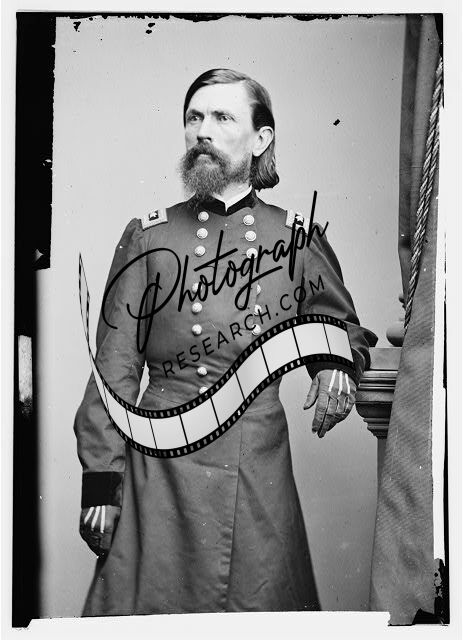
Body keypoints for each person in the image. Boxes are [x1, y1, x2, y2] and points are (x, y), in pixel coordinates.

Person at [74, 68, 377, 615]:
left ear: (261, 139)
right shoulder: (148, 236)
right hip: (159, 464)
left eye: (221, 117)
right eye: (194, 117)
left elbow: (341, 324)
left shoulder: (295, 236)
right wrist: (101, 481)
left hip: (254, 463)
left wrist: (337, 361)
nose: (202, 131)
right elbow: (112, 370)